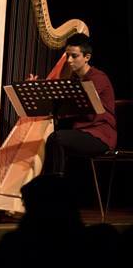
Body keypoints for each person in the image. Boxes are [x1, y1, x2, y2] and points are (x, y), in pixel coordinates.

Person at [39, 33, 116, 175]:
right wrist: (36, 89)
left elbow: (74, 106)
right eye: (67, 55)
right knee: (53, 141)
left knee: (57, 139)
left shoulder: (98, 78)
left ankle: (52, 187)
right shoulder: (74, 80)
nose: (68, 60)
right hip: (82, 132)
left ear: (87, 57)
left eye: (74, 56)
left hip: (100, 135)